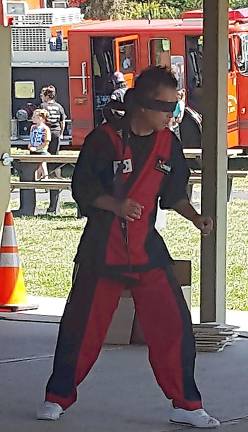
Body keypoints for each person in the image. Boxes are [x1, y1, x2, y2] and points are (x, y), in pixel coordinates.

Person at [37, 66, 220, 428]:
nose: (172, 115)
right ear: (142, 105)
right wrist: (116, 205)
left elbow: (173, 196)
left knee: (174, 326)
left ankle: (185, 403)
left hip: (146, 251)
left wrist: (195, 216)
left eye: (175, 106)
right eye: (165, 107)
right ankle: (57, 397)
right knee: (82, 327)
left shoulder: (170, 144)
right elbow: (82, 191)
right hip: (101, 250)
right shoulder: (103, 140)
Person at [40, 85, 66, 214]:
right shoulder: (59, 106)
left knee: (45, 157)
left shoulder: (43, 107)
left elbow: (41, 120)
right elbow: (63, 121)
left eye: (42, 95)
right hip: (56, 133)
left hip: (47, 133)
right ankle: (56, 176)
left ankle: (47, 178)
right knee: (55, 156)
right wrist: (61, 133)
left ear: (46, 95)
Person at [28, 109, 51, 180]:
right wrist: (30, 145)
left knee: (43, 165)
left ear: (40, 118)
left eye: (34, 117)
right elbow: (31, 137)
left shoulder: (45, 128)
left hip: (42, 150)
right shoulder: (33, 127)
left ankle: (46, 182)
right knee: (34, 167)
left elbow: (46, 141)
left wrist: (37, 148)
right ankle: (35, 182)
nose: (32, 118)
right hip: (33, 150)